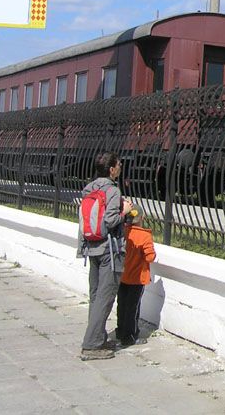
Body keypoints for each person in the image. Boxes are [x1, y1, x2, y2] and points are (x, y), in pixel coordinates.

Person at [77, 152, 132, 360]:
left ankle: (97, 338)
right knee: (106, 296)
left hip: (92, 247)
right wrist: (124, 210)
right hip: (110, 250)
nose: (120, 167)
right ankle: (91, 345)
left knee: (95, 295)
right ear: (111, 170)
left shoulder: (89, 188)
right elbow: (110, 221)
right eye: (118, 165)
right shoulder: (112, 190)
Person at [115, 207, 156, 346]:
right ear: (142, 219)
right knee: (133, 308)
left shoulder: (123, 232)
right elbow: (150, 257)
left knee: (122, 304)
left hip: (122, 276)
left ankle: (120, 331)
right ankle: (130, 336)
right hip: (137, 278)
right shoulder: (144, 236)